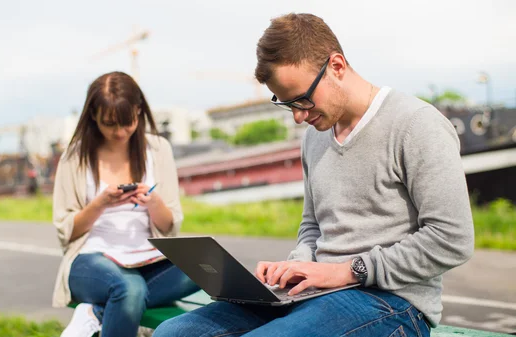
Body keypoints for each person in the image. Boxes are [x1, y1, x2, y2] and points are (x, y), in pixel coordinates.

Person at [154, 13, 474, 337]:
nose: (298, 116)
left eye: (303, 99)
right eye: (287, 103)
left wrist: (346, 272)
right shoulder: (315, 136)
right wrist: (296, 265)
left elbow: (452, 239)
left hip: (392, 303)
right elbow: (312, 225)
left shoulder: (416, 124)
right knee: (172, 333)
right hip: (315, 293)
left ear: (336, 66)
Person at [51, 71, 199, 337]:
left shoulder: (158, 149)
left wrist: (152, 201)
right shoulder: (75, 157)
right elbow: (66, 232)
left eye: (127, 122)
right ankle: (111, 305)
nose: (119, 132)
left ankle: (95, 313)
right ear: (93, 115)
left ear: (139, 111)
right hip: (91, 258)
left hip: (148, 256)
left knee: (203, 266)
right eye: (110, 124)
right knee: (129, 289)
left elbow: (169, 225)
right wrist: (100, 204)